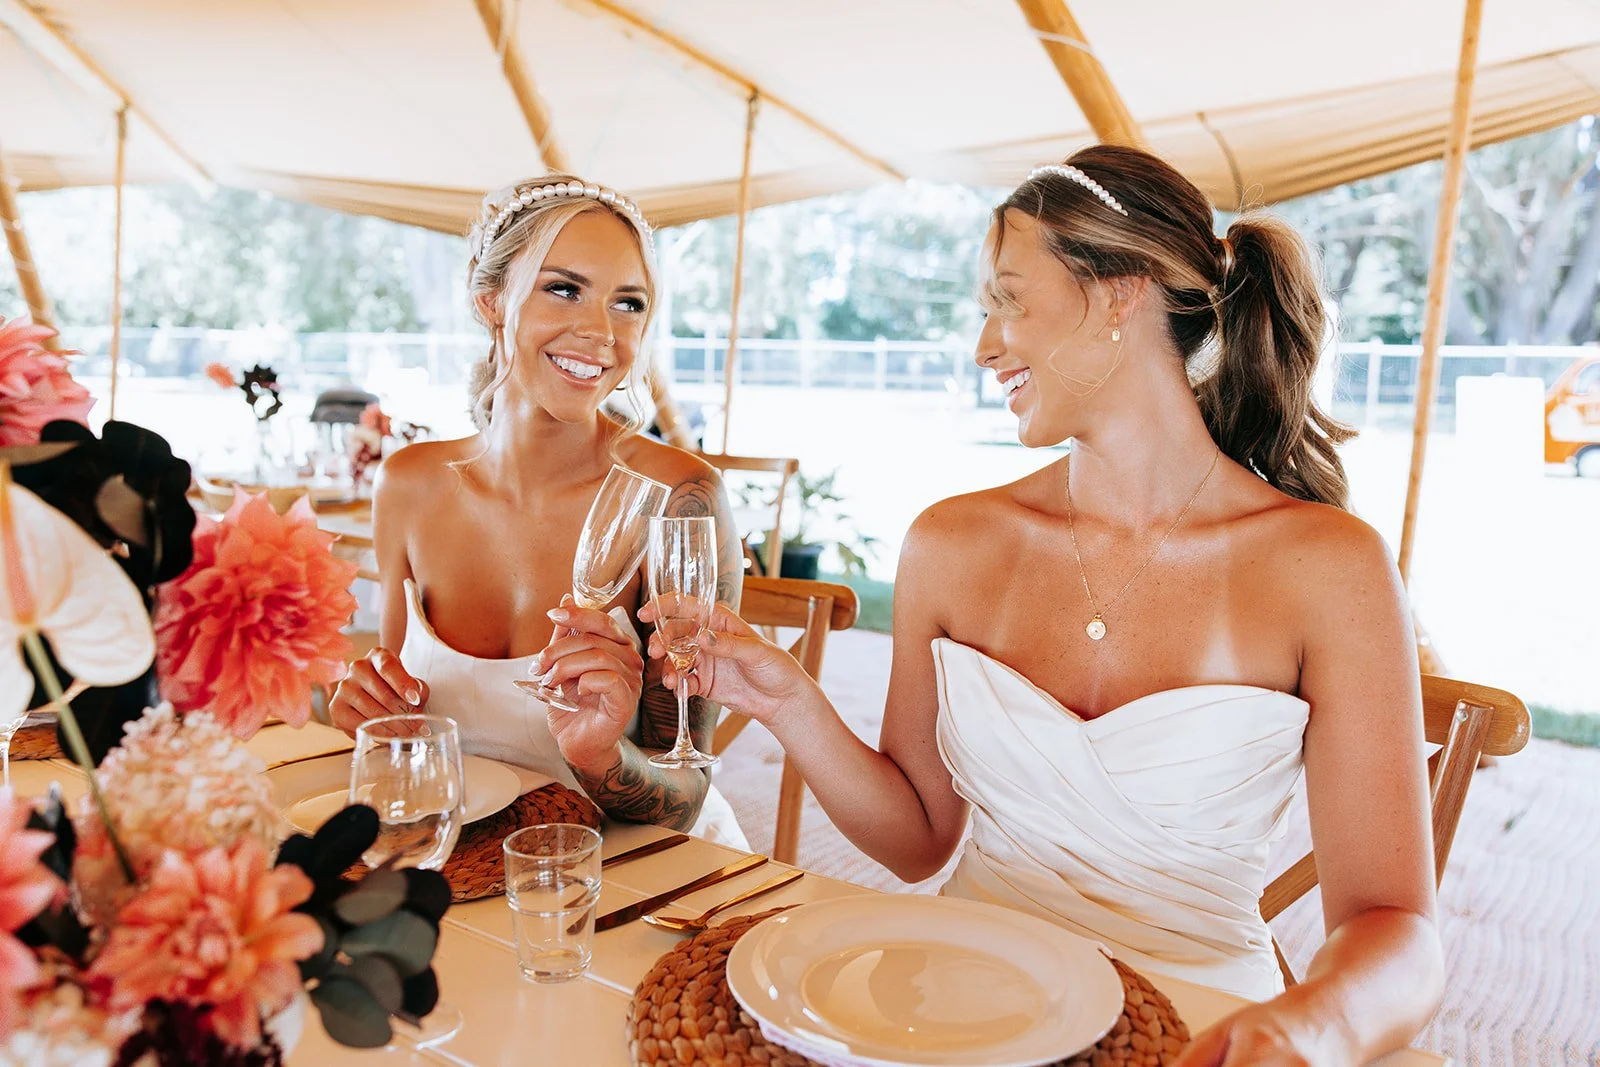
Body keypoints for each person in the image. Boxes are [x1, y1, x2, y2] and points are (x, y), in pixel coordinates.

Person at [642, 146, 1443, 1064]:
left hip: (1206, 1024)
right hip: (955, 1003)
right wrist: (785, 698)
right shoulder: (952, 544)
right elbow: (916, 842)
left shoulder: (1328, 566)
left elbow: (1398, 926)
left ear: (1120, 294)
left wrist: (1317, 1025)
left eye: (1008, 300)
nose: (984, 344)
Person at [330, 176, 746, 844]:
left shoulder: (677, 496)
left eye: (629, 303)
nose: (600, 332)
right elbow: (398, 713)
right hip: (464, 864)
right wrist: (367, 713)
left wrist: (602, 754)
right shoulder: (407, 484)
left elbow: (685, 798)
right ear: (490, 301)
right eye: (564, 288)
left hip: (636, 873)